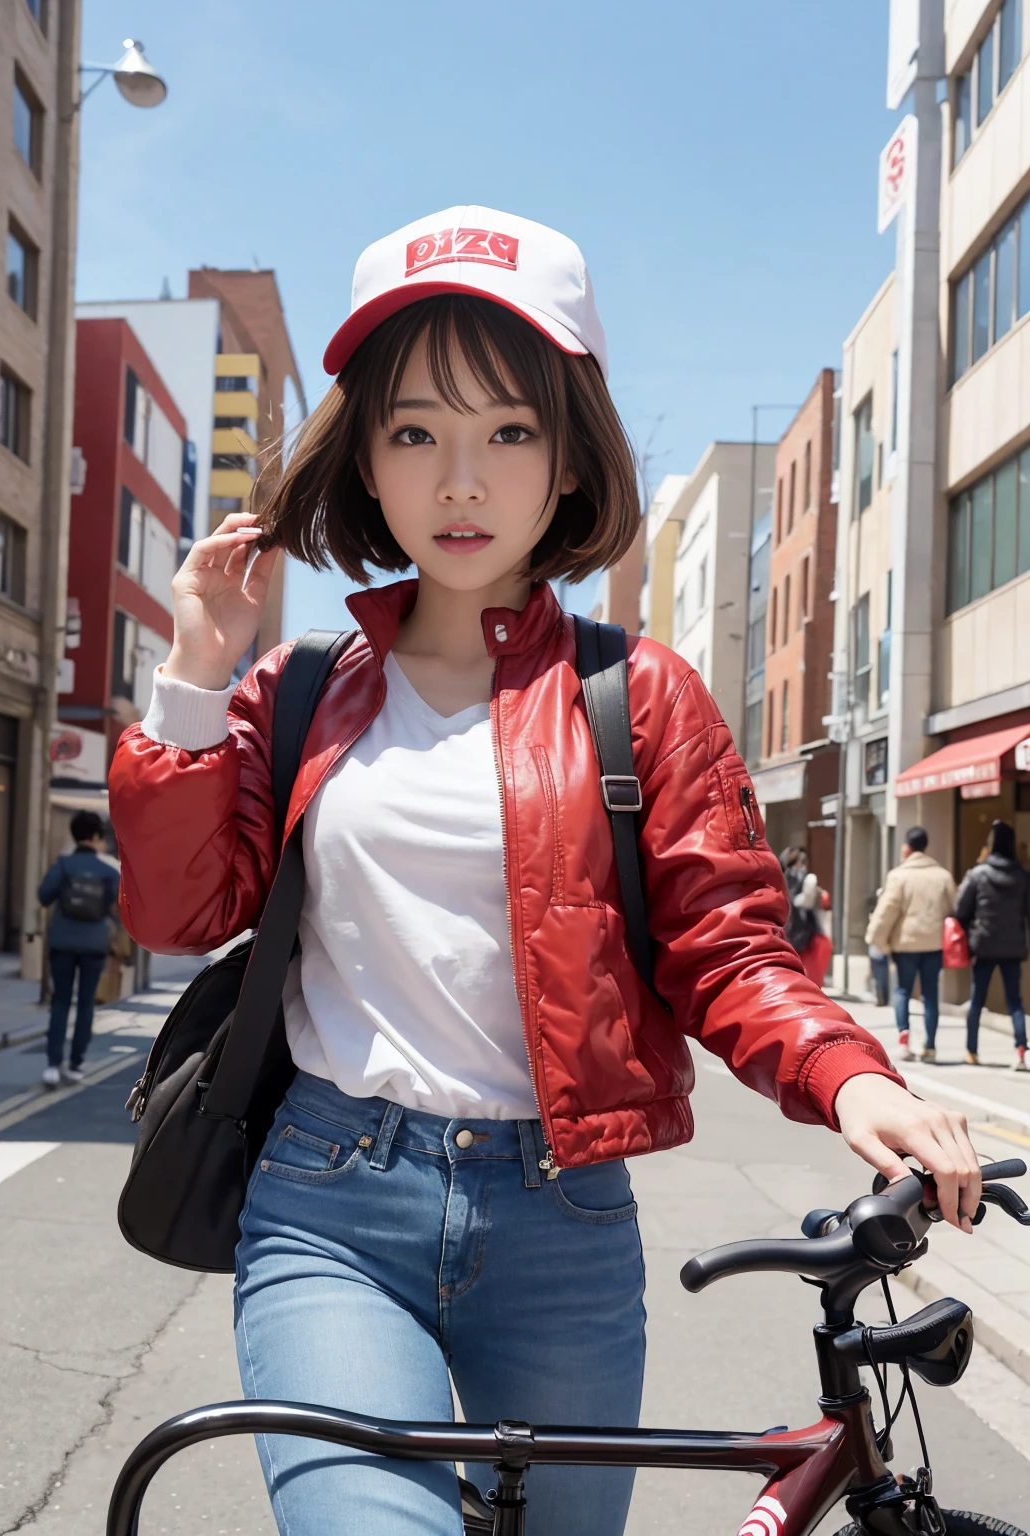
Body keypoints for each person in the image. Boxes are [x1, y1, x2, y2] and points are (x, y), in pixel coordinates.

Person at [109, 207, 981, 1536]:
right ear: (368, 463)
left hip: (562, 1223)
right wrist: (188, 680)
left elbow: (728, 944)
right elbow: (180, 913)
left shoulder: (640, 695)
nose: (462, 479)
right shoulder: (291, 695)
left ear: (570, 458)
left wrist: (849, 1070)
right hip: (328, 1202)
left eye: (508, 430)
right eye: (414, 432)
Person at [37, 809, 120, 1088]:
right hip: (94, 943)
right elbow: (115, 905)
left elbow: (43, 895)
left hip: (62, 940)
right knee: (86, 1005)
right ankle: (76, 1064)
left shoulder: (62, 865)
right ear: (96, 836)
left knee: (60, 1002)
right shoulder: (109, 871)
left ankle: (52, 1065)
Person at [866, 826, 958, 1063]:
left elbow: (887, 911)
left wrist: (878, 939)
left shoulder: (899, 876)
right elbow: (953, 910)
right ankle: (930, 1046)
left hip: (905, 945)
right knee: (930, 993)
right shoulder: (943, 876)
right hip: (934, 945)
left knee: (903, 991)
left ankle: (904, 1041)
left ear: (907, 847)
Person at [955, 819, 1030, 1070]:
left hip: (984, 945)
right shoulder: (1022, 876)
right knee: (1015, 1001)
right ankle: (1021, 1051)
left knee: (977, 999)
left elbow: (960, 909)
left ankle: (971, 1051)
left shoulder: (978, 873)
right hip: (1013, 946)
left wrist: (971, 932)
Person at [779, 845, 833, 988]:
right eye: (798, 863)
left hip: (796, 939)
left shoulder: (803, 883)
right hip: (794, 940)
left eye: (803, 863)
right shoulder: (787, 882)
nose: (801, 867)